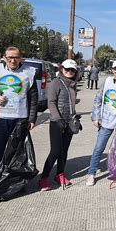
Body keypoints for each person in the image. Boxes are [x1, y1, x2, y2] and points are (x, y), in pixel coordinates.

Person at [0, 46, 38, 174]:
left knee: (17, 152)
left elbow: (33, 98)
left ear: (20, 58)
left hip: (19, 119)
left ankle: (14, 180)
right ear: (4, 58)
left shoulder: (29, 73)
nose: (13, 61)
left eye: (16, 57)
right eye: (10, 58)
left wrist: (32, 119)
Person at [38, 59, 79, 190]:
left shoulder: (72, 84)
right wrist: (58, 119)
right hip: (57, 122)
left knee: (64, 151)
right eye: (67, 69)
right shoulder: (56, 82)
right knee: (55, 151)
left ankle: (59, 174)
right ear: (62, 69)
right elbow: (51, 102)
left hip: (69, 122)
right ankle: (44, 178)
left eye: (72, 70)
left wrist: (75, 117)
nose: (69, 72)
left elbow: (71, 104)